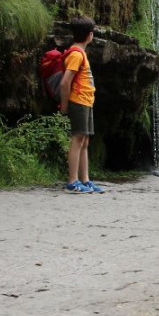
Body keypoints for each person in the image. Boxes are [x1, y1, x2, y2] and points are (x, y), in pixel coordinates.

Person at [59, 16, 105, 194]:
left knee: (84, 140)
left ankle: (85, 180)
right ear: (90, 35)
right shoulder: (76, 55)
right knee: (77, 139)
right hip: (78, 101)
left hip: (86, 101)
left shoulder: (80, 53)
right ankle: (72, 181)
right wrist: (64, 105)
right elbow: (65, 82)